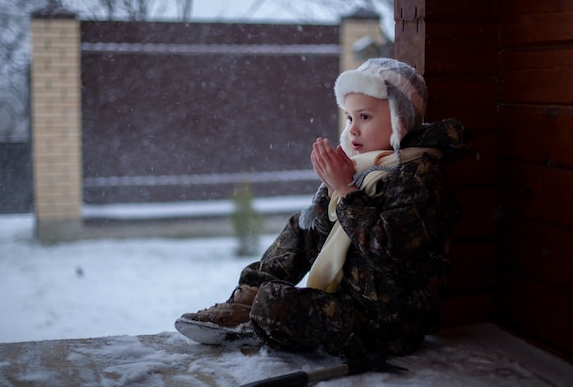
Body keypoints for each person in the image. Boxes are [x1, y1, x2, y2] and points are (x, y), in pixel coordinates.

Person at [175, 58, 471, 358]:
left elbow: (387, 250)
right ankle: (245, 300)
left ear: (399, 120)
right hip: (348, 302)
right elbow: (320, 238)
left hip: (388, 324)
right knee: (302, 225)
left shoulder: (420, 175)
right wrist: (328, 195)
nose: (353, 130)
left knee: (275, 306)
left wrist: (345, 192)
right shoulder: (364, 166)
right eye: (349, 118)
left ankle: (258, 312)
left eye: (365, 117)